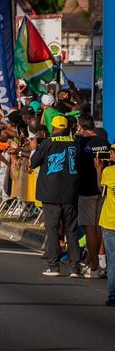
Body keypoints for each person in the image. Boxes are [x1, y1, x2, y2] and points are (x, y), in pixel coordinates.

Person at [30, 115, 82, 277]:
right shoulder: (75, 143)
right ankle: (75, 267)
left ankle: (54, 266)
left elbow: (33, 162)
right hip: (70, 192)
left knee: (52, 230)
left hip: (51, 193)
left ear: (53, 128)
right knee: (71, 230)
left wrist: (33, 148)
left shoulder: (47, 143)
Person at [75, 114, 110, 278]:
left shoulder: (81, 143)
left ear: (80, 126)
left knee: (90, 227)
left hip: (86, 190)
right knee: (98, 227)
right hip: (102, 189)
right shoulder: (104, 142)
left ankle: (94, 266)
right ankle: (95, 263)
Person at [95, 144, 115, 306]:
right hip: (109, 222)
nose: (111, 154)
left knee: (113, 260)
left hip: (110, 221)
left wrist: (98, 169)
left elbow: (100, 188)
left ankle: (113, 295)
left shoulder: (108, 172)